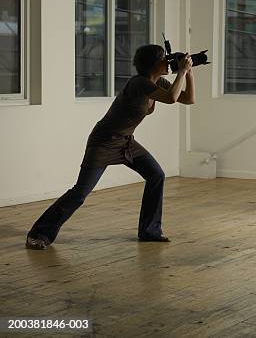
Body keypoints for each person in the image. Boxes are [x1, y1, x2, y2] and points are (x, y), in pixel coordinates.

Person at [25, 44, 195, 249]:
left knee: (156, 175)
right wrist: (182, 71)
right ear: (152, 64)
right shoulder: (139, 83)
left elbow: (188, 99)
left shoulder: (157, 81)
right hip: (104, 141)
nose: (168, 62)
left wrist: (189, 75)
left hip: (126, 141)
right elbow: (171, 98)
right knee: (80, 192)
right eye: (163, 59)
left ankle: (150, 231)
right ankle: (39, 233)